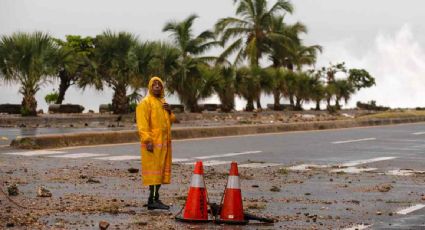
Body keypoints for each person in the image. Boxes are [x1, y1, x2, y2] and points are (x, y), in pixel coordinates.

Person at [136, 76, 175, 210]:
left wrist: (169, 111)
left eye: (159, 84)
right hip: (153, 143)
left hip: (164, 144)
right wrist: (147, 141)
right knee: (154, 173)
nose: (157, 86)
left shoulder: (162, 102)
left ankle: (154, 198)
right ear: (150, 87)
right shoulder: (145, 103)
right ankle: (152, 200)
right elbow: (142, 124)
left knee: (160, 172)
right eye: (154, 84)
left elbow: (170, 121)